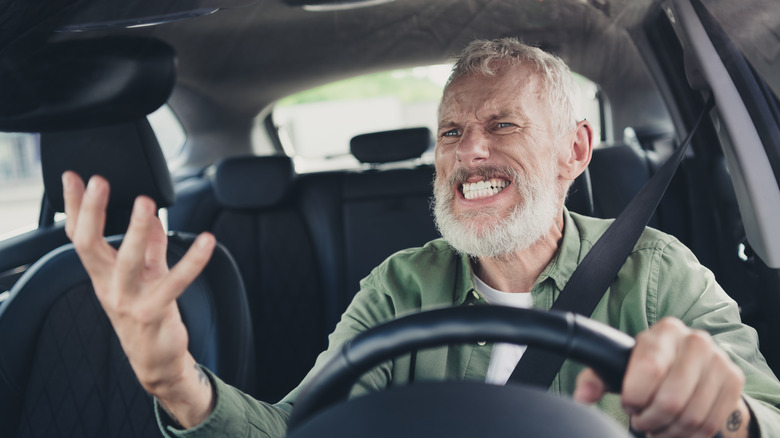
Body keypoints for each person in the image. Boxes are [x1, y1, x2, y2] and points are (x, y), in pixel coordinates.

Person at [61, 37, 780, 438]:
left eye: (503, 126)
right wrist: (177, 385)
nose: (469, 155)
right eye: (451, 133)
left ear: (576, 150)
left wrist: (728, 417)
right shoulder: (399, 286)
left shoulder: (657, 272)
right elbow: (297, 432)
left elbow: (763, 415)